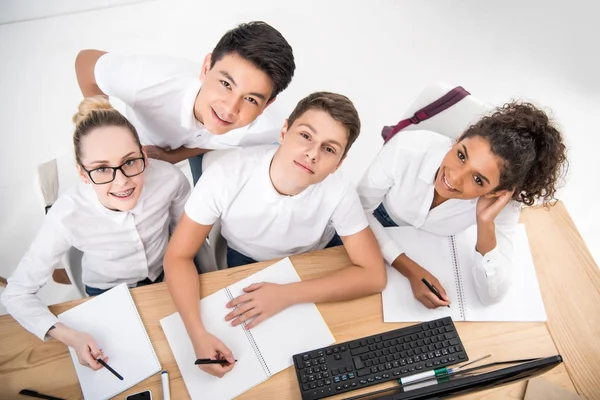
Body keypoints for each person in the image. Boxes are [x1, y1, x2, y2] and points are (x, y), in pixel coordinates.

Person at [164, 92, 386, 377]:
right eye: (306, 136)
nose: (313, 154)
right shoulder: (226, 175)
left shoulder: (338, 189)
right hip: (249, 260)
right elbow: (178, 256)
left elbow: (373, 275)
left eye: (329, 149)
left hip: (311, 260)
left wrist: (287, 295)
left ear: (339, 163)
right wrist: (197, 335)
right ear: (284, 131)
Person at [1, 96, 190, 371]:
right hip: (106, 294)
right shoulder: (66, 216)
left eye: (130, 162)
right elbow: (16, 293)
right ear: (82, 173)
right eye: (102, 168)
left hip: (164, 278)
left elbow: (183, 234)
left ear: (144, 155)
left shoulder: (170, 179)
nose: (122, 181)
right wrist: (69, 336)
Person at [357, 101, 567, 308]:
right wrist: (410, 269)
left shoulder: (501, 204)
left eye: (478, 180)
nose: (454, 178)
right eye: (461, 155)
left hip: (426, 247)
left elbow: (491, 296)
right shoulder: (407, 149)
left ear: (498, 192)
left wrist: (485, 223)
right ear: (458, 139)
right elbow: (357, 211)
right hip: (371, 223)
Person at [74, 21, 295, 184]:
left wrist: (173, 156)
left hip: (174, 153)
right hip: (135, 139)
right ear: (206, 67)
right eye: (226, 84)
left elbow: (213, 139)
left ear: (267, 105)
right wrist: (107, 127)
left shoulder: (263, 130)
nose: (229, 108)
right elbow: (85, 61)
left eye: (250, 99)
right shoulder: (146, 81)